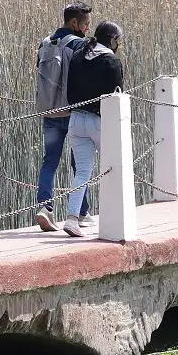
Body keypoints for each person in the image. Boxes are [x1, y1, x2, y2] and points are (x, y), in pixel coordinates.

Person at [33, 2, 93, 232]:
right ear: (74, 23)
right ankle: (81, 211)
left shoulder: (45, 43)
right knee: (80, 163)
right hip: (73, 111)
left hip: (49, 111)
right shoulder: (78, 44)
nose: (88, 28)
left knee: (50, 161)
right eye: (86, 24)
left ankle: (44, 207)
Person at [62, 20, 125, 237]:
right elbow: (116, 94)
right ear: (112, 40)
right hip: (99, 121)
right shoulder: (111, 60)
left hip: (76, 121)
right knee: (115, 165)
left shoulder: (79, 56)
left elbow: (70, 92)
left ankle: (72, 219)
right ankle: (115, 219)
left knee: (82, 172)